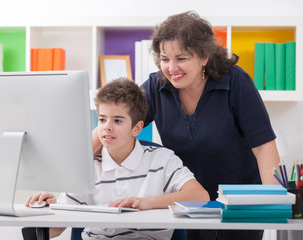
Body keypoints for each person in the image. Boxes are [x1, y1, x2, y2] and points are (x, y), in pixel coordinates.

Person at [91, 11, 281, 240]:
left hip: (235, 207)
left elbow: (263, 147)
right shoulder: (156, 86)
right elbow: (113, 122)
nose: (172, 68)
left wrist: (275, 204)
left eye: (181, 58)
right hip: (183, 205)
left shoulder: (235, 83)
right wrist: (63, 179)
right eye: (164, 59)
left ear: (204, 57)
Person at [27, 78, 209, 239]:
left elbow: (200, 196)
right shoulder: (88, 167)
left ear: (137, 128)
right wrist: (46, 211)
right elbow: (54, 230)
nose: (107, 127)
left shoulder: (161, 160)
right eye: (102, 119)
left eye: (118, 120)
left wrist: (147, 203)